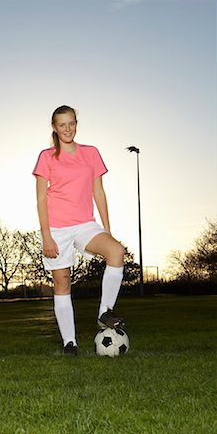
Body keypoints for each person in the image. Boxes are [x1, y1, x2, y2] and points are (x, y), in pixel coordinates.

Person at [32, 105, 125, 356]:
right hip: (57, 228)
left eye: (71, 123)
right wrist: (47, 236)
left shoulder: (91, 153)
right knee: (62, 283)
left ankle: (105, 312)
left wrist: (107, 230)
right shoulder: (46, 156)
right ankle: (69, 342)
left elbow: (99, 192)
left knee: (116, 252)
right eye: (61, 125)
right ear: (54, 127)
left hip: (85, 224)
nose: (67, 129)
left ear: (76, 123)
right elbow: (41, 200)